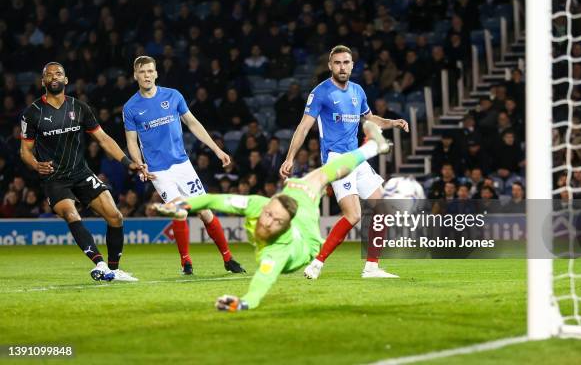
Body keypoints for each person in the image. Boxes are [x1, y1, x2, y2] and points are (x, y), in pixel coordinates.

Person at [153, 121, 391, 310]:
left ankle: (370, 147)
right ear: (268, 204)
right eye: (269, 213)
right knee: (311, 179)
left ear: (283, 227)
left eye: (275, 221)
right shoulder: (259, 205)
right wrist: (183, 205)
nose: (268, 220)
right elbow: (215, 199)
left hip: (305, 240)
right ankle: (372, 147)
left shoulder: (277, 252)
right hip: (293, 194)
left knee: (320, 177)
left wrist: (244, 302)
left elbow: (261, 284)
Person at [279, 45, 409, 279]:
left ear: (352, 65)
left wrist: (393, 122)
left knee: (382, 209)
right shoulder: (321, 92)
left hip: (356, 158)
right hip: (336, 160)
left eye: (346, 62)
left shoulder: (358, 91)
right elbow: (304, 126)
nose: (342, 67)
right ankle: (317, 264)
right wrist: (289, 158)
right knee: (353, 215)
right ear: (330, 66)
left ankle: (371, 267)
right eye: (337, 62)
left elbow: (370, 119)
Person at [123, 56, 245, 275]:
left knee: (205, 212)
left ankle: (228, 259)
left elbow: (193, 123)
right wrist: (140, 165)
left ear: (156, 73)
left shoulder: (173, 95)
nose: (147, 75)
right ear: (135, 75)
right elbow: (131, 141)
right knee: (179, 212)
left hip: (182, 165)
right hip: (157, 170)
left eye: (150, 71)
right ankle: (186, 263)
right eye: (142, 72)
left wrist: (217, 150)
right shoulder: (131, 108)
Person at [20, 62, 141, 282]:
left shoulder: (80, 107)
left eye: (59, 74)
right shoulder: (32, 113)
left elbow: (103, 139)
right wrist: (36, 164)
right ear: (43, 82)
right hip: (54, 178)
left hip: (80, 173)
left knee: (115, 217)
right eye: (49, 75)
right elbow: (25, 151)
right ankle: (100, 264)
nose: (54, 77)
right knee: (71, 213)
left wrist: (127, 161)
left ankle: (113, 269)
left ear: (66, 80)